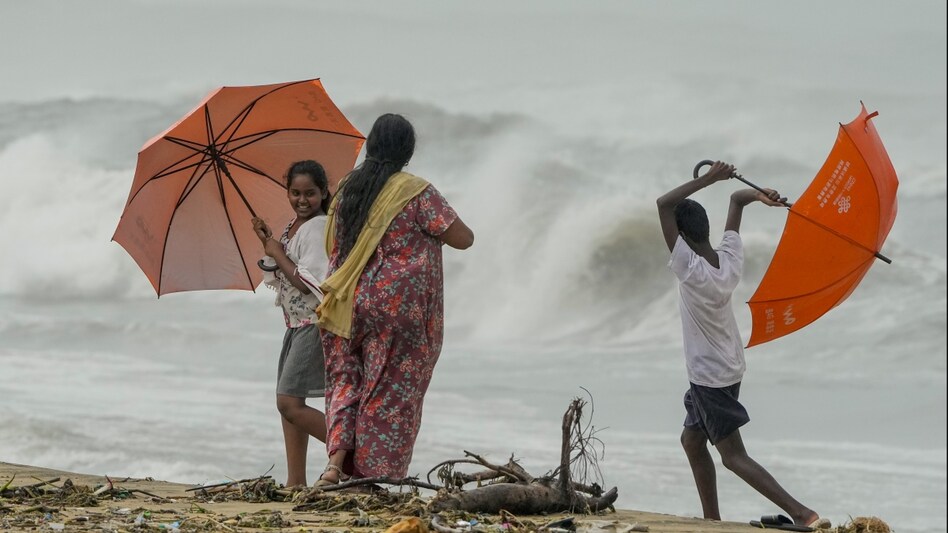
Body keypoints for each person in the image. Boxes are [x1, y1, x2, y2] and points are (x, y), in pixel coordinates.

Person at [656, 161, 830, 530]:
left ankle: (803, 514)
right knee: (691, 440)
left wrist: (707, 179)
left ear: (682, 238)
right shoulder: (729, 260)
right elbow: (736, 200)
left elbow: (663, 205)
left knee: (732, 456)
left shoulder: (690, 269)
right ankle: (712, 521)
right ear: (705, 229)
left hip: (709, 375)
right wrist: (758, 195)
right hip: (730, 365)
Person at [314, 113, 474, 488]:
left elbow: (332, 243)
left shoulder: (347, 189)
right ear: (407, 150)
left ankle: (335, 468)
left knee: (345, 384)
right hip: (397, 309)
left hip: (345, 303)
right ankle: (370, 480)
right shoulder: (415, 191)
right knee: (388, 392)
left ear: (370, 145)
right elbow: (463, 238)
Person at [252, 160, 332, 488]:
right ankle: (295, 481)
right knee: (290, 405)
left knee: (287, 402)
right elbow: (277, 276)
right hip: (295, 324)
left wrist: (277, 252)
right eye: (295, 192)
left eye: (310, 193)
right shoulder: (293, 227)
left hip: (313, 323)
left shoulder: (318, 226)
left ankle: (355, 452)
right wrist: (269, 243)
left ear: (324, 192)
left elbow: (309, 281)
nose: (302, 199)